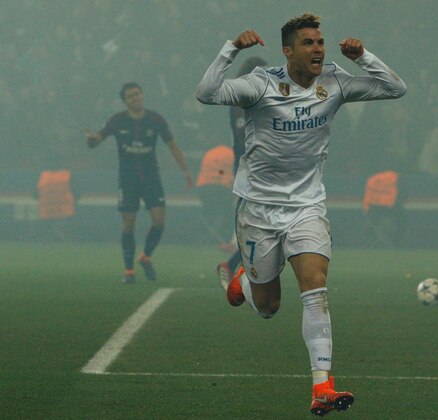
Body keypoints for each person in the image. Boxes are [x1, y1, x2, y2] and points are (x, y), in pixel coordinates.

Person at [196, 13, 406, 415]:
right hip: (257, 210)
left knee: (315, 287)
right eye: (308, 43)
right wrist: (231, 49)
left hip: (307, 206)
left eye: (320, 42)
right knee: (269, 306)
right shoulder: (261, 85)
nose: (318, 49)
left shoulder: (335, 82)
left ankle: (322, 386)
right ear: (288, 51)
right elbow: (206, 93)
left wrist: (364, 57)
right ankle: (244, 277)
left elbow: (395, 88)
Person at [86, 82, 193, 283]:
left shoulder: (155, 119)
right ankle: (129, 271)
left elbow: (172, 145)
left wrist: (185, 171)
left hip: (151, 177)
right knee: (128, 223)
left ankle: (145, 256)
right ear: (125, 101)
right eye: (131, 96)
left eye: (138, 94)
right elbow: (96, 141)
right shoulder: (117, 121)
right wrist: (91, 139)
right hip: (128, 179)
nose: (136, 98)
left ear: (142, 96)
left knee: (159, 220)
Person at [216, 57, 268, 290]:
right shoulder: (240, 102)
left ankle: (240, 267)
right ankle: (235, 266)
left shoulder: (257, 101)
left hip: (262, 171)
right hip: (250, 172)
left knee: (262, 224)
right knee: (257, 224)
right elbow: (242, 138)